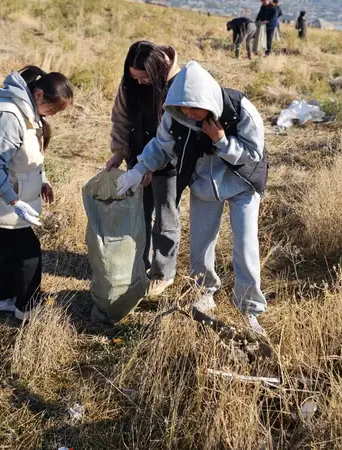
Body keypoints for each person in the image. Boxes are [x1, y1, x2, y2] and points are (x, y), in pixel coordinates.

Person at [115, 61, 269, 335]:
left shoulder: (240, 110)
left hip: (242, 183)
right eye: (184, 107)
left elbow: (253, 155)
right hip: (203, 185)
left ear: (208, 100)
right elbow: (161, 146)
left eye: (194, 108)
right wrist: (139, 170)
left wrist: (221, 142)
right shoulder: (177, 114)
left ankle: (249, 310)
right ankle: (204, 292)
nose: (189, 113)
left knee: (245, 246)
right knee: (200, 245)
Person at [0, 66, 73, 321]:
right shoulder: (9, 115)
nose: (53, 116)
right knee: (28, 251)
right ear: (39, 95)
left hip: (8, 197)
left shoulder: (25, 111)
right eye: (53, 110)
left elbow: (25, 156)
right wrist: (14, 200)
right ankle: (28, 308)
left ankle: (4, 299)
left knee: (13, 248)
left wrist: (42, 180)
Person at [104, 41, 182, 297]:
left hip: (169, 159)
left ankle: (163, 273)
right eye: (134, 78)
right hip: (137, 155)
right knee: (139, 212)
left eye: (144, 78)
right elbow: (121, 118)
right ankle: (138, 265)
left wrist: (150, 165)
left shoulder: (176, 84)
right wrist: (119, 152)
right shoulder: (130, 85)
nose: (139, 83)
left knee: (165, 213)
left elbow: (170, 134)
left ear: (157, 70)